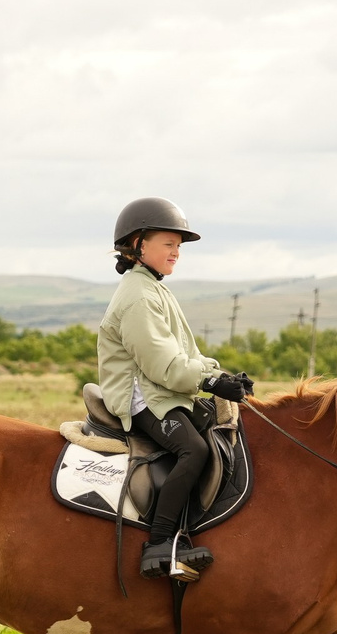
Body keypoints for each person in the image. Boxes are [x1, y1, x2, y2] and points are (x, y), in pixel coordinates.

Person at [96, 197, 253, 581]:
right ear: (138, 244)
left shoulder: (154, 289)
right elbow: (162, 365)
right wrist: (209, 382)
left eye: (178, 246)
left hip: (164, 393)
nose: (176, 252)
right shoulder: (137, 295)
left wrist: (220, 374)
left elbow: (185, 353)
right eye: (169, 244)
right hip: (143, 397)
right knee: (193, 450)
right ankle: (159, 544)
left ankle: (188, 532)